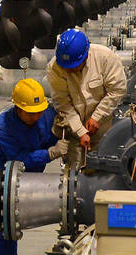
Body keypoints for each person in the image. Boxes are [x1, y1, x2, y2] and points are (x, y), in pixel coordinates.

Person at [0, 78, 67, 255]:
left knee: (5, 221)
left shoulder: (45, 114)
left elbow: (52, 131)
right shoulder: (3, 125)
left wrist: (61, 130)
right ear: (18, 108)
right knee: (7, 221)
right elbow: (17, 159)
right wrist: (50, 153)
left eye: (39, 111)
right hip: (5, 174)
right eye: (30, 113)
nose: (36, 116)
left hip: (34, 174)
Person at [47, 27, 129, 170]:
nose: (69, 70)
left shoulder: (105, 58)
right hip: (73, 128)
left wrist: (97, 117)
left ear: (85, 55)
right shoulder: (55, 68)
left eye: (73, 66)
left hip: (104, 127)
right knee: (74, 172)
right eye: (66, 67)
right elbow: (63, 103)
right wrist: (80, 131)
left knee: (104, 168)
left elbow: (117, 90)